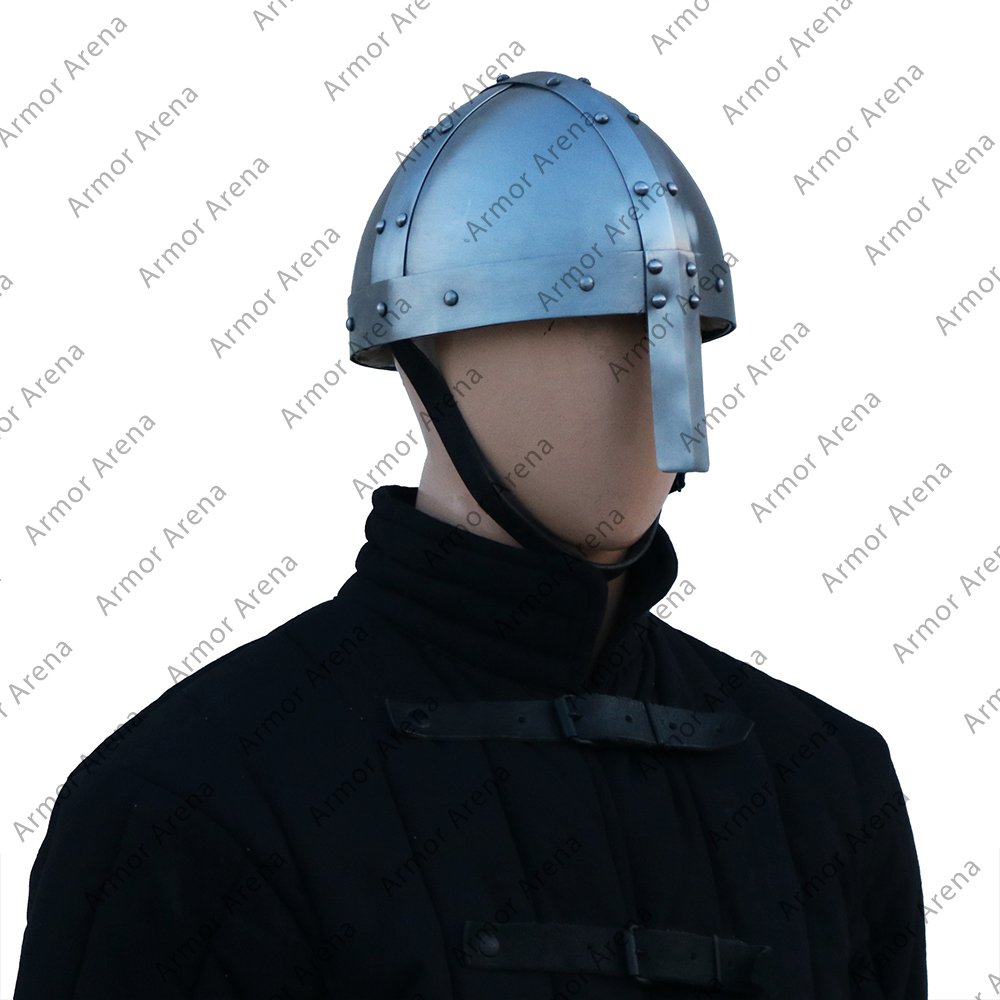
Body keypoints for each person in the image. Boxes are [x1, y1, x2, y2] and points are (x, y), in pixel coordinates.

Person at [13, 70, 926, 999]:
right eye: (580, 326)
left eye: (673, 332)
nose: (646, 385)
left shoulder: (824, 782)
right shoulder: (187, 798)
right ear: (424, 363)